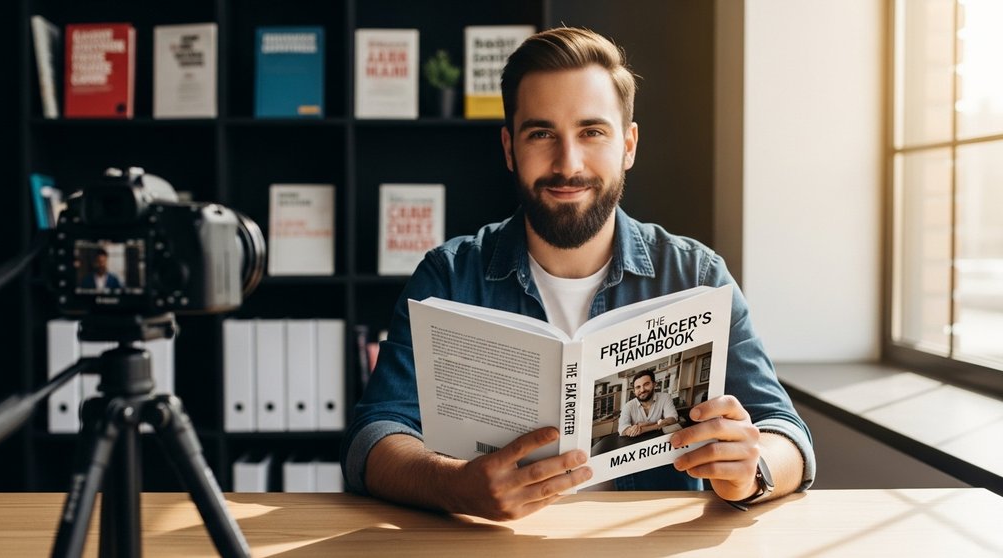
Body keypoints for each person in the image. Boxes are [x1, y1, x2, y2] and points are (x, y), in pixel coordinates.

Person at [342, 27, 815, 521]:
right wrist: (453, 485)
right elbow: (371, 440)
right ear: (509, 148)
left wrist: (751, 470)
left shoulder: (695, 274)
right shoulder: (449, 276)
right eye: (542, 133)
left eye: (592, 132)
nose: (568, 164)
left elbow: (788, 434)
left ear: (628, 145)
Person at [618, 371, 678, 437]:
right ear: (634, 391)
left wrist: (643, 428)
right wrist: (658, 424)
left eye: (646, 384)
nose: (642, 390)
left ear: (654, 384)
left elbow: (672, 419)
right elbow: (623, 429)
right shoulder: (628, 406)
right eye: (638, 387)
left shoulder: (665, 397)